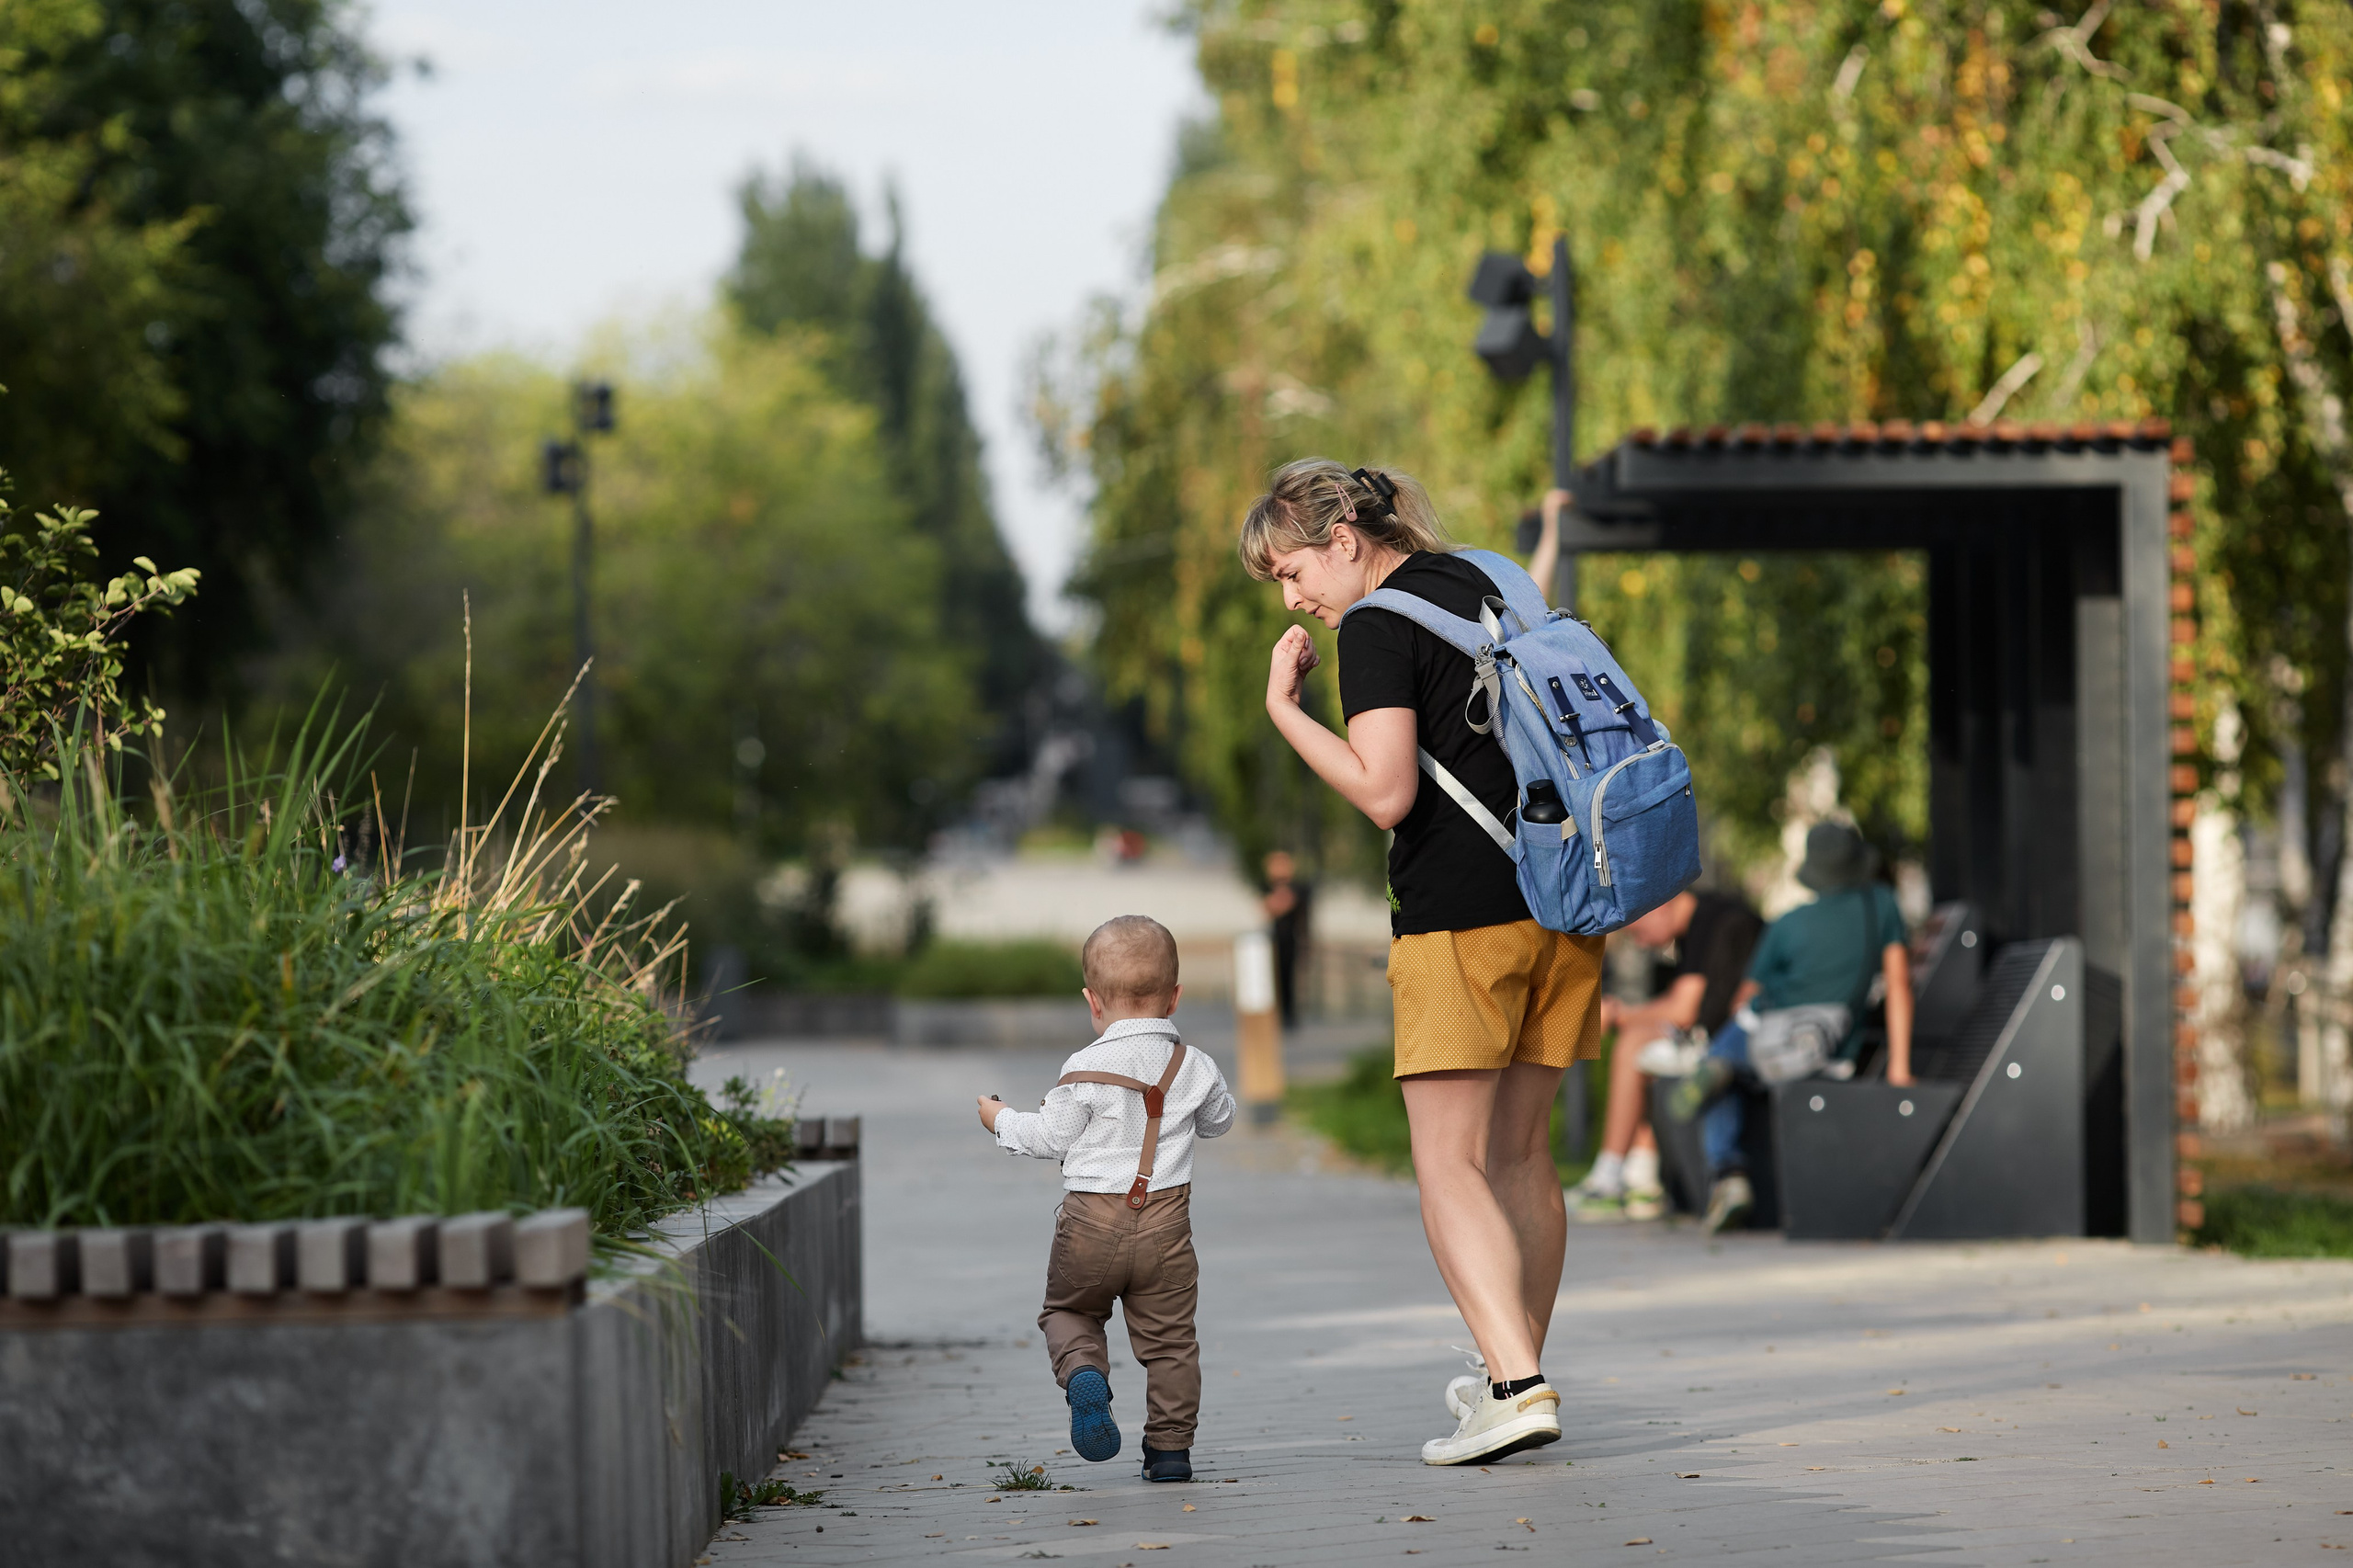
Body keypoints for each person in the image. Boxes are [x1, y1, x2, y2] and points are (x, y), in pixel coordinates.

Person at [1243, 457, 1593, 1466]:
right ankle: (1509, 1371)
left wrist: (1286, 713)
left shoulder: (1377, 623)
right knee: (1522, 1153)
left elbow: (1386, 790)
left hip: (1460, 921)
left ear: (1344, 538)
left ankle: (1517, 1383)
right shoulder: (1489, 580)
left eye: (1290, 568)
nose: (1292, 593)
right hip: (1562, 905)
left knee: (1447, 1160)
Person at [978, 915, 1237, 1483]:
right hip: (1167, 1226)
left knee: (1069, 1311)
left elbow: (1047, 1137)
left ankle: (1085, 1373)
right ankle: (1170, 1453)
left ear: (1093, 1002)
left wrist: (999, 1120)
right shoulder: (1195, 1065)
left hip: (1088, 1225)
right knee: (1171, 1343)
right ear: (1175, 998)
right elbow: (1219, 1121)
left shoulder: (1083, 1068)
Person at [1670, 822, 1913, 1235]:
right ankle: (1720, 1068)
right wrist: (1899, 1070)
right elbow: (1899, 985)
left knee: (1721, 1068)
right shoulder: (1881, 905)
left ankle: (1728, 1174)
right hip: (1827, 1041)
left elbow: (1743, 998)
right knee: (1725, 1070)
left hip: (1764, 1030)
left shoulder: (1788, 923)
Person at [1566, 887, 1764, 1222]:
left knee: (1634, 1044)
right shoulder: (1701, 922)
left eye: (1636, 930)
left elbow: (1684, 1009)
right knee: (1647, 1050)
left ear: (1659, 905)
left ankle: (1609, 1175)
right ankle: (1642, 1178)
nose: (1641, 942)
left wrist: (1618, 1014)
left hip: (1734, 1043)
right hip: (1727, 1037)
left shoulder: (1713, 919)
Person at [1260, 849, 1313, 1029]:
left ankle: (1290, 1016)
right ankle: (1280, 1015)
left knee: (1289, 979)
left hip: (1291, 939)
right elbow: (1267, 908)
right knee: (1276, 980)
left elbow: (1284, 905)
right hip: (1275, 940)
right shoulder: (1269, 888)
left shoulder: (1298, 888)